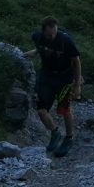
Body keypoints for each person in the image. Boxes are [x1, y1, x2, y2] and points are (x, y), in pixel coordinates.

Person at [24, 16, 82, 157]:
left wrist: (77, 84)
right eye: (49, 34)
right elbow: (42, 46)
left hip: (64, 78)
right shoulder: (37, 36)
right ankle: (55, 132)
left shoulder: (65, 40)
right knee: (41, 111)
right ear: (43, 31)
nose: (52, 36)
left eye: (54, 33)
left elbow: (76, 61)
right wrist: (36, 51)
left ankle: (69, 138)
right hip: (47, 76)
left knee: (64, 109)